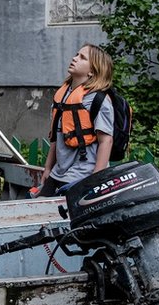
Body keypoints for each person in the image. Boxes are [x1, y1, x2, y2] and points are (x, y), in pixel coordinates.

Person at [38, 43, 114, 197]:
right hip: (58, 172)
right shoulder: (63, 95)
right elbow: (56, 137)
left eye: (82, 58)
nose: (74, 58)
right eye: (76, 54)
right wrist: (47, 169)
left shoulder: (98, 99)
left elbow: (106, 141)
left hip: (83, 174)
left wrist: (96, 181)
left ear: (92, 71)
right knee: (39, 209)